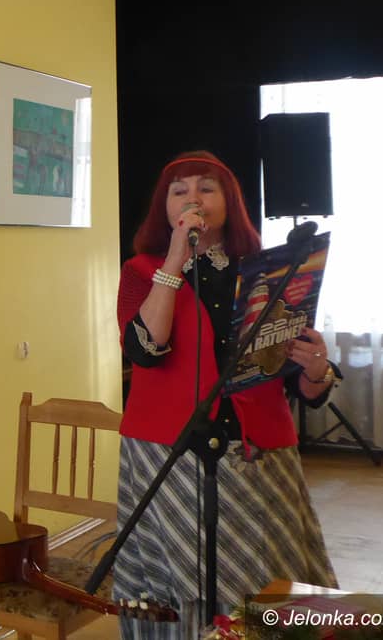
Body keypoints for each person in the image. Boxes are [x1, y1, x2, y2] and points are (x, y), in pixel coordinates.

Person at [114, 151, 337, 638]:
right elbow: (145, 350)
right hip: (167, 453)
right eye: (179, 191)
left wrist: (318, 369)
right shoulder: (141, 270)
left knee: (267, 575)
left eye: (206, 188)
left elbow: (297, 383)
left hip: (258, 452)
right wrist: (175, 260)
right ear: (165, 208)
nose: (192, 198)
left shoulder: (268, 273)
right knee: (175, 581)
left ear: (229, 202)